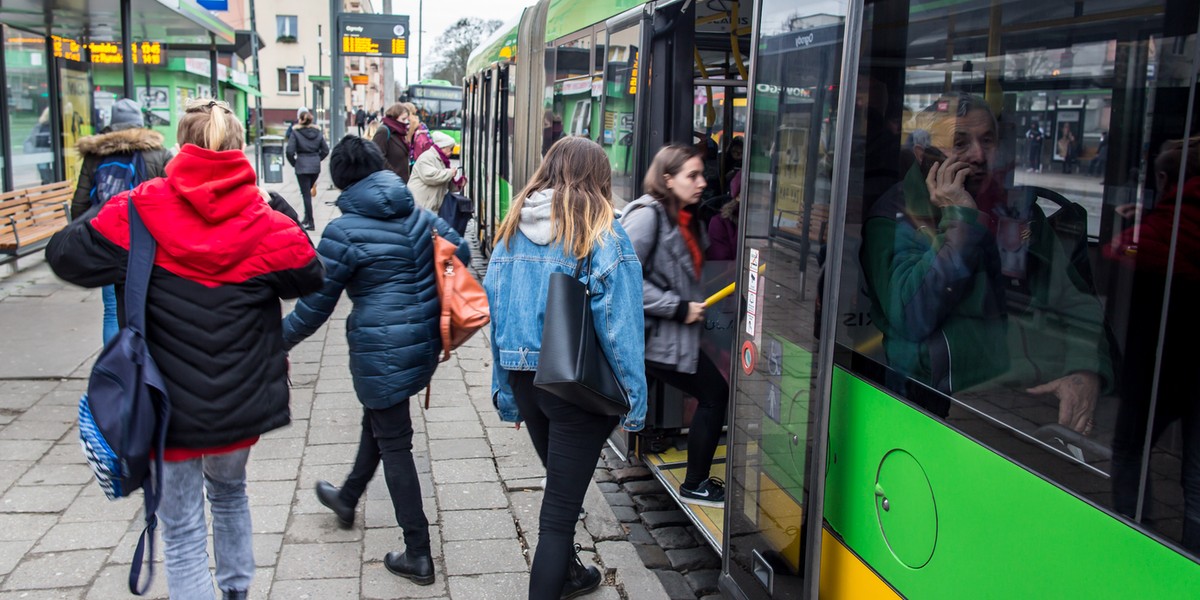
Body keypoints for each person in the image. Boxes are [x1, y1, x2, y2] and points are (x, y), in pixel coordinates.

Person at [45, 97, 325, 600]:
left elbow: (64, 255)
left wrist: (118, 211)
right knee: (231, 492)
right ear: (239, 149)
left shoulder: (138, 209)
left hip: (165, 404)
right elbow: (309, 272)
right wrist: (272, 202)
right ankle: (237, 591)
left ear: (181, 146)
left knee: (181, 527)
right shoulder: (264, 221)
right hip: (241, 402)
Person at [859, 93, 1111, 432]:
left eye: (987, 141)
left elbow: (1072, 297)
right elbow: (911, 315)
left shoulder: (1018, 211)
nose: (979, 155)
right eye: (960, 143)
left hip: (1029, 400)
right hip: (939, 401)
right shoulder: (894, 217)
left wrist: (1087, 368)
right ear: (924, 153)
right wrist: (961, 218)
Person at [282, 136, 469, 587]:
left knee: (395, 442)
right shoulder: (416, 212)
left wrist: (273, 342)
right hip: (423, 341)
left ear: (342, 179)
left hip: (383, 348)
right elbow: (459, 250)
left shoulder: (344, 231)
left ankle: (419, 553)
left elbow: (314, 307)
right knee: (382, 420)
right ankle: (347, 497)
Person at [483, 137, 647, 599]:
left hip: (526, 379)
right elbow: (619, 330)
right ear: (599, 176)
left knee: (562, 491)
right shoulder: (602, 233)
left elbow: (498, 315)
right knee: (556, 516)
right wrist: (634, 404)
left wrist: (508, 394)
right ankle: (556, 579)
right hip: (575, 387)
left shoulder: (512, 228)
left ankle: (572, 575)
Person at [620, 144, 730, 507]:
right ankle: (695, 483)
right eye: (692, 176)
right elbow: (624, 277)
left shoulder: (682, 214)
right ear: (668, 179)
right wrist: (677, 307)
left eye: (703, 174)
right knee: (714, 394)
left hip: (675, 333)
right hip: (656, 336)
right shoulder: (648, 215)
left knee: (712, 392)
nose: (702, 182)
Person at [1106, 135, 1200, 554]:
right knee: (1196, 478)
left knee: (1129, 450)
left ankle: (1134, 537)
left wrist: (1133, 228)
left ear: (1162, 179)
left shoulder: (1153, 233)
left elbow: (1117, 260)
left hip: (1158, 370)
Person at [70, 97, 173, 344]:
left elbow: (80, 203)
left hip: (109, 241)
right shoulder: (158, 153)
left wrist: (89, 237)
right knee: (151, 305)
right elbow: (172, 198)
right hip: (149, 242)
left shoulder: (95, 156)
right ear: (140, 123)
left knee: (112, 311)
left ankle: (115, 370)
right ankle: (147, 365)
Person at [286, 110, 329, 230]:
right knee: (307, 191)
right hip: (315, 167)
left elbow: (289, 151)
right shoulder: (318, 132)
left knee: (306, 194)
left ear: (300, 119)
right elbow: (325, 150)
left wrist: (295, 163)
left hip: (302, 166)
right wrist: (317, 159)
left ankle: (310, 222)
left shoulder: (296, 132)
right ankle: (306, 218)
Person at [408, 131, 463, 212]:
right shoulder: (427, 157)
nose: (451, 152)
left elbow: (444, 182)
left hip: (428, 206)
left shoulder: (441, 160)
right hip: (420, 205)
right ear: (443, 147)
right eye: (450, 149)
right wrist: (450, 173)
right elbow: (431, 177)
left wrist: (458, 185)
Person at [372, 103, 412, 181]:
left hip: (400, 183)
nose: (406, 122)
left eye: (407, 119)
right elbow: (377, 157)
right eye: (403, 119)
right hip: (389, 183)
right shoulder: (384, 131)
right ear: (394, 118)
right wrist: (393, 176)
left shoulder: (400, 133)